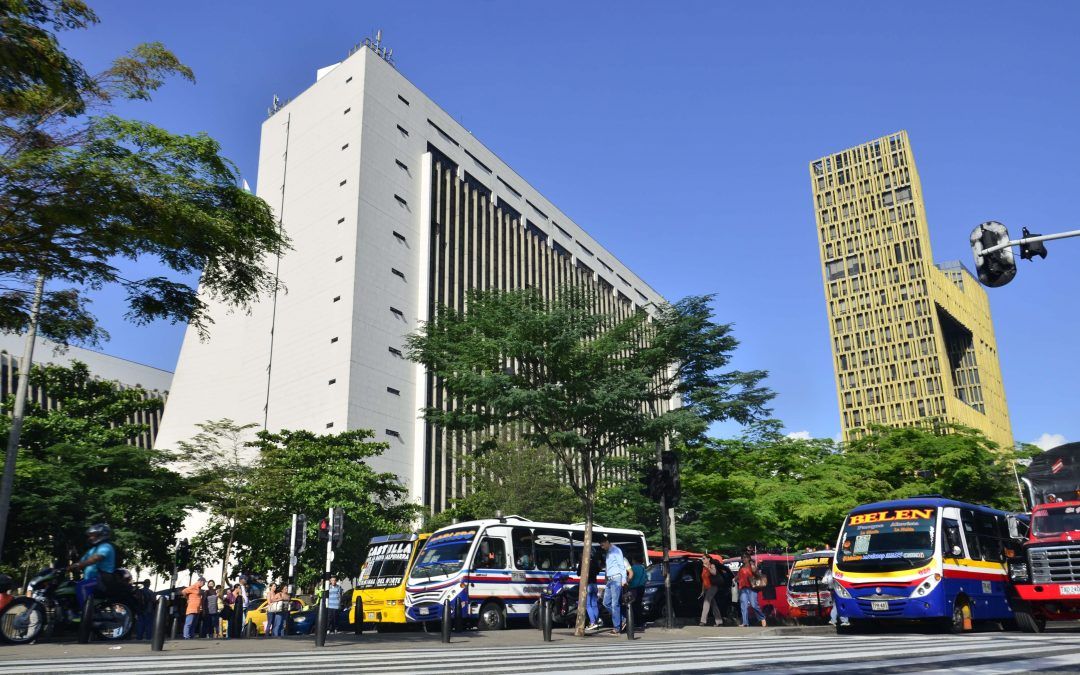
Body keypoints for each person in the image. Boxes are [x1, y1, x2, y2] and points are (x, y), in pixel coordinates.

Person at [67, 523, 118, 599]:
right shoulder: (92, 550)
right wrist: (69, 568)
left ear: (101, 535)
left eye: (93, 535)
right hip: (92, 580)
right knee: (70, 587)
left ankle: (86, 611)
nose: (90, 538)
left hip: (103, 580)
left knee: (82, 587)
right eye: (90, 535)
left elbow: (96, 558)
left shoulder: (106, 546)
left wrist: (80, 565)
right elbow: (81, 563)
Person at [598, 535, 629, 635]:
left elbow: (621, 565)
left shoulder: (616, 550)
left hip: (616, 578)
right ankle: (622, 619)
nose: (602, 547)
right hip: (610, 580)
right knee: (605, 602)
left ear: (607, 542)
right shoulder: (608, 552)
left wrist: (623, 579)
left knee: (615, 604)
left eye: (602, 545)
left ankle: (617, 628)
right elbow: (608, 567)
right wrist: (606, 578)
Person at [736, 554, 766, 627]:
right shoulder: (741, 567)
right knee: (744, 606)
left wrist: (754, 568)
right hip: (743, 588)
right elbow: (738, 576)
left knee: (754, 605)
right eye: (743, 557)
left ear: (749, 558)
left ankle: (762, 618)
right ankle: (745, 622)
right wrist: (734, 578)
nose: (744, 559)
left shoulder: (751, 565)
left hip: (751, 588)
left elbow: (758, 574)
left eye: (745, 557)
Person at [698, 555, 723, 627]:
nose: (702, 560)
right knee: (713, 604)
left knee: (706, 601)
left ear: (708, 559)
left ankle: (703, 621)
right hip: (706, 588)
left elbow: (714, 573)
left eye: (704, 558)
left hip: (713, 587)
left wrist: (707, 567)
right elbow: (704, 580)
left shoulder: (711, 565)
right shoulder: (703, 568)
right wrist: (702, 590)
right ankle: (719, 621)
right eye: (702, 559)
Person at [627, 555, 647, 630]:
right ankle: (641, 622)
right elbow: (646, 578)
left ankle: (635, 622)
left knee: (633, 605)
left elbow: (629, 577)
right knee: (639, 604)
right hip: (641, 588)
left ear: (634, 560)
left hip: (633, 588)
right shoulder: (642, 568)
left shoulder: (632, 568)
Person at [585, 553, 601, 631]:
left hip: (588, 585)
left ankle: (593, 622)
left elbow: (578, 573)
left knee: (587, 605)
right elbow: (598, 571)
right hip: (595, 585)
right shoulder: (595, 562)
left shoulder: (584, 562)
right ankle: (596, 622)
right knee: (594, 605)